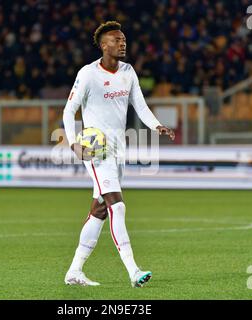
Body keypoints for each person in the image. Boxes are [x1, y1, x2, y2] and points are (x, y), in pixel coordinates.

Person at [62, 21, 175, 288]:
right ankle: (133, 271)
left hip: (118, 150)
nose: (122, 43)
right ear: (104, 45)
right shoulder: (88, 74)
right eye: (116, 40)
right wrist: (73, 144)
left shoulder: (128, 71)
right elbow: (69, 111)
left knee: (99, 210)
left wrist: (156, 125)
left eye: (123, 39)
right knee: (118, 206)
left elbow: (140, 105)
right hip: (96, 151)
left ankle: (74, 271)